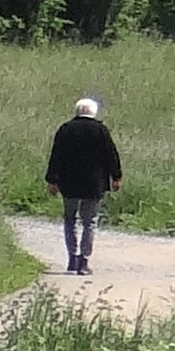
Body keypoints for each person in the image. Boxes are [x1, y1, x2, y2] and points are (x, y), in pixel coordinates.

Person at [44, 95, 124, 274]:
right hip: (94, 184)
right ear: (94, 112)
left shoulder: (66, 129)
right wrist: (116, 177)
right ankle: (84, 261)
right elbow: (111, 155)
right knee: (90, 222)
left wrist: (52, 180)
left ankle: (72, 259)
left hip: (69, 182)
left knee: (70, 220)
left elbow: (56, 156)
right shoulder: (101, 130)